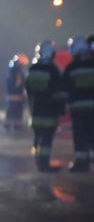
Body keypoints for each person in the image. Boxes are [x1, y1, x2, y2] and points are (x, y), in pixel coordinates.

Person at [63, 35, 94, 172]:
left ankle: (81, 163)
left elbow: (66, 90)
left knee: (80, 136)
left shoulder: (71, 68)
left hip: (78, 109)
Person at [25, 40, 66, 172]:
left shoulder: (32, 69)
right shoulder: (54, 69)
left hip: (36, 111)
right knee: (47, 140)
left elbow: (28, 90)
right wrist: (61, 110)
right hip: (49, 112)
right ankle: (44, 165)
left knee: (38, 138)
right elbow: (59, 92)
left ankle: (39, 162)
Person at [5, 52, 29, 131]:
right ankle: (16, 125)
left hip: (10, 96)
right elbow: (19, 83)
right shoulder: (19, 72)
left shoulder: (10, 71)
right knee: (17, 111)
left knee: (10, 110)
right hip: (17, 96)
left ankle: (8, 124)